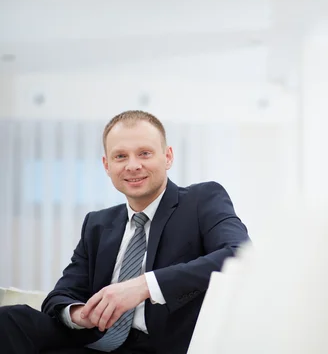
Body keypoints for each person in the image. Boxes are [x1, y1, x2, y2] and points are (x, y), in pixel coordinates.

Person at [0, 110, 250, 354]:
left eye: (144, 153)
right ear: (107, 165)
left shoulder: (201, 200)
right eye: (120, 156)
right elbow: (62, 295)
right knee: (11, 318)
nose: (133, 166)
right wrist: (80, 314)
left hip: (158, 344)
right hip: (91, 338)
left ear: (168, 157)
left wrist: (145, 286)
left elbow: (239, 254)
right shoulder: (97, 224)